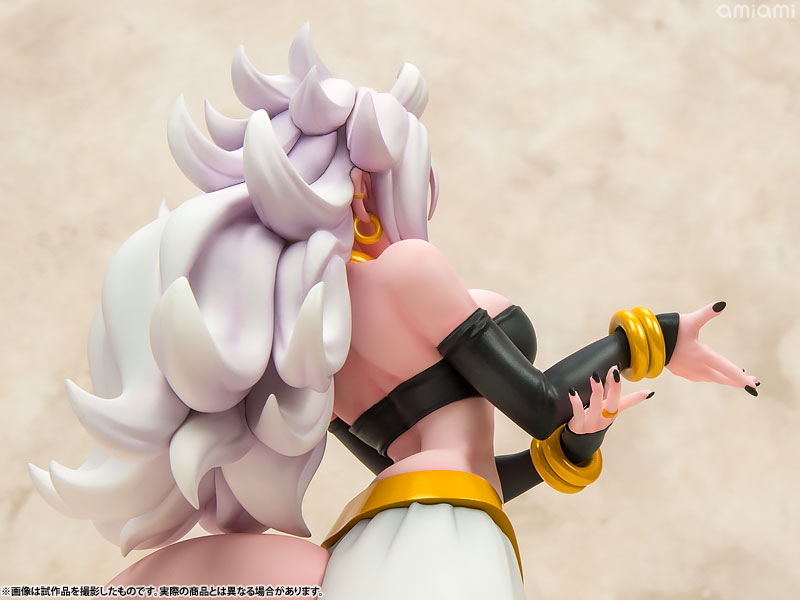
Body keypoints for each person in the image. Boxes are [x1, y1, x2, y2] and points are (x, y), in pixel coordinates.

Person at [28, 25, 758, 600]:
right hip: (445, 530)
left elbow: (452, 467)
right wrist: (651, 338)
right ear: (367, 188)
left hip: (397, 523)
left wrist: (570, 450)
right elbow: (539, 405)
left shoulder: (312, 332)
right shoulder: (408, 272)